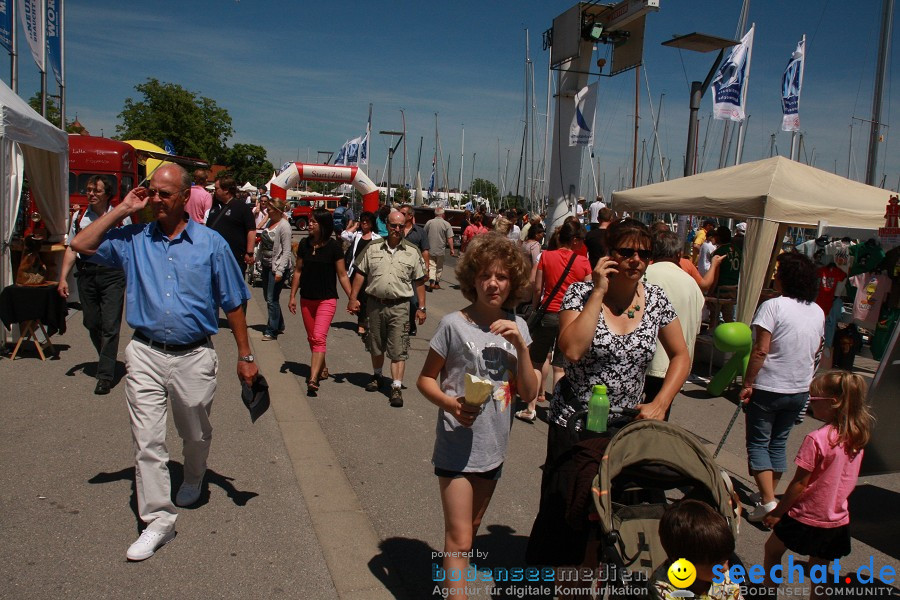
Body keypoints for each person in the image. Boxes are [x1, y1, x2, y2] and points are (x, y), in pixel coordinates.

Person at [69, 163, 258, 561]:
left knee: (195, 431)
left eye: (164, 194)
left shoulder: (210, 244)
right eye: (151, 191)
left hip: (194, 355)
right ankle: (157, 521)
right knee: (148, 441)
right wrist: (121, 209)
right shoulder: (133, 238)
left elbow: (234, 302)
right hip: (145, 353)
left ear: (185, 197)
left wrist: (245, 356)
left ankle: (193, 474)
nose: (155, 199)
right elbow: (81, 245)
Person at [528, 218, 690, 566]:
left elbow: (681, 356)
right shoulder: (580, 294)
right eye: (626, 251)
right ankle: (564, 583)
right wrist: (598, 292)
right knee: (567, 518)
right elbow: (571, 350)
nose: (635, 260)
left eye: (643, 254)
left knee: (613, 520)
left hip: (625, 429)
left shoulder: (656, 299)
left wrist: (661, 403)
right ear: (609, 254)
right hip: (575, 425)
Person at [417, 233, 538, 600]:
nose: (493, 283)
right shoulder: (454, 324)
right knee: (458, 537)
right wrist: (452, 405)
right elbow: (425, 380)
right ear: (473, 279)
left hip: (493, 448)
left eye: (501, 277)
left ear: (512, 282)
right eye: (486, 275)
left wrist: (520, 345)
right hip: (456, 444)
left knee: (469, 530)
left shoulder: (519, 328)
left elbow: (530, 393)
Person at [761, 371, 873, 600]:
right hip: (835, 517)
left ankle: (767, 593)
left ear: (834, 403)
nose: (809, 403)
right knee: (820, 571)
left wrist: (778, 512)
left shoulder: (817, 439)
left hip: (805, 514)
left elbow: (800, 483)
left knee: (772, 551)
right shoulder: (857, 436)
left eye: (813, 399)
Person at [739, 252, 824, 522]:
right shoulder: (817, 310)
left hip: (769, 385)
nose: (775, 276)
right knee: (778, 443)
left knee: (758, 442)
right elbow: (818, 351)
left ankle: (767, 501)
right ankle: (768, 492)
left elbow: (761, 350)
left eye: (778, 272)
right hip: (799, 388)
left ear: (786, 278)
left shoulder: (773, 306)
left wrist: (748, 381)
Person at [57, 174, 131, 395]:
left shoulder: (120, 218)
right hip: (87, 274)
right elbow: (72, 248)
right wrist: (63, 278)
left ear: (107, 194)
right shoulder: (80, 217)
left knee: (110, 325)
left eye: (95, 190)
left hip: (112, 275)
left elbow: (128, 249)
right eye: (88, 190)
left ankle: (105, 375)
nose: (90, 194)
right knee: (91, 322)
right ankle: (107, 357)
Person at [348, 210, 426, 407]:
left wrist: (422, 307)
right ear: (386, 225)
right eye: (393, 226)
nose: (397, 229)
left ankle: (396, 387)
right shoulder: (373, 248)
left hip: (400, 306)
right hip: (374, 304)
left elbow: (419, 282)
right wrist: (352, 298)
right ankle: (377, 376)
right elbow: (360, 274)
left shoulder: (412, 251)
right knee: (375, 343)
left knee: (398, 348)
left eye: (400, 226)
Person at [516, 220, 592, 423]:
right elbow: (588, 292)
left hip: (548, 313)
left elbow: (538, 287)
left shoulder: (547, 256)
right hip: (571, 317)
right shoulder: (583, 262)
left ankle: (530, 407)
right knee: (561, 366)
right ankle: (556, 408)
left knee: (537, 361)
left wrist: (535, 307)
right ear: (575, 240)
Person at [288, 208, 352, 394]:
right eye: (310, 221)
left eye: (314, 222)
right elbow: (298, 271)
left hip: (327, 299)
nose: (310, 224)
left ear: (323, 225)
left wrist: (352, 297)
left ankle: (313, 378)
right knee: (312, 338)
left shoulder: (334, 247)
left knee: (318, 337)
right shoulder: (304, 244)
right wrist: (292, 296)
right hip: (306, 299)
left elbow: (342, 275)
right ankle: (322, 367)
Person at [644, 231, 705, 414]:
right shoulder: (690, 283)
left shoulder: (643, 274)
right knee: (660, 413)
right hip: (674, 365)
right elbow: (696, 327)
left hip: (642, 360)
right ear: (678, 254)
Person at [652, 500, 743, 600]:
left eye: (726, 560)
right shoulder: (664, 589)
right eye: (717, 564)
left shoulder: (722, 577)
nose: (725, 567)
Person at [207, 175, 256, 282]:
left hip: (234, 258)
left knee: (234, 290)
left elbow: (251, 230)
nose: (214, 191)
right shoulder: (215, 207)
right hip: (214, 257)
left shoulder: (242, 207)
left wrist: (249, 252)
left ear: (226, 190)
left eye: (217, 189)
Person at [342, 211, 381, 336]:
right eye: (362, 220)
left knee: (365, 298)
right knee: (356, 297)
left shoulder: (377, 238)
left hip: (369, 273)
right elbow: (344, 235)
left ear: (372, 223)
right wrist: (355, 226)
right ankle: (363, 319)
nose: (364, 223)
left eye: (367, 221)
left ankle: (361, 324)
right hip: (355, 271)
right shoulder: (357, 235)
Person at [258, 198, 293, 340]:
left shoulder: (284, 226)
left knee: (272, 299)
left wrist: (280, 271)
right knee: (269, 297)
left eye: (270, 208)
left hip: (277, 268)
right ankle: (279, 323)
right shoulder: (269, 222)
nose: (267, 210)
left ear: (278, 210)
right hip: (266, 265)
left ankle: (271, 330)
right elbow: (263, 244)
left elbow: (286, 251)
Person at [399, 204, 430, 336]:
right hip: (398, 269)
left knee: (413, 301)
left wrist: (426, 269)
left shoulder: (420, 232)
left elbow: (425, 251)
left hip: (414, 271)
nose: (400, 215)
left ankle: (411, 323)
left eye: (403, 213)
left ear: (410, 216)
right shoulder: (396, 229)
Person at [423, 206, 456, 291]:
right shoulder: (446, 224)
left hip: (430, 248)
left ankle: (431, 281)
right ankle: (437, 283)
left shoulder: (429, 222)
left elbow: (424, 234)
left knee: (431, 265)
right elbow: (450, 238)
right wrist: (452, 249)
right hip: (441, 249)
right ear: (443, 215)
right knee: (439, 267)